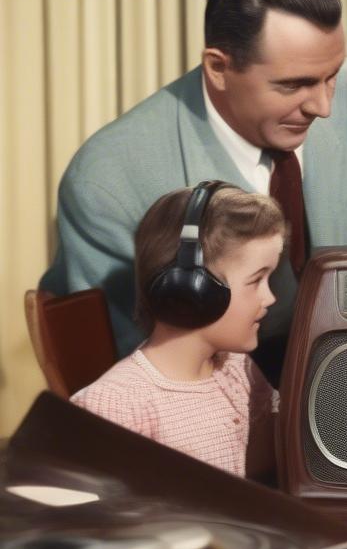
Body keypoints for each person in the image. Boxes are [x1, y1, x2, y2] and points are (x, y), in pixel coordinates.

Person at [42, 0, 347, 382]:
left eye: (332, 76)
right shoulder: (108, 179)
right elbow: (131, 374)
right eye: (293, 85)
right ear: (218, 68)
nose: (324, 106)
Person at [72, 183, 284, 480]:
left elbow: (270, 466)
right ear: (193, 290)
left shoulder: (237, 369)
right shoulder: (114, 406)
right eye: (256, 280)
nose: (270, 297)